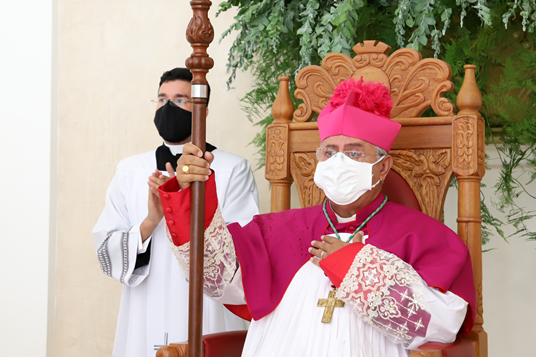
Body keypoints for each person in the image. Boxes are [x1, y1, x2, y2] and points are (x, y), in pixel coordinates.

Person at [158, 79, 475, 357]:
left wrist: (355, 267)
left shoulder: (424, 236)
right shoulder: (279, 229)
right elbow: (215, 276)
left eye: (353, 152)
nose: (338, 161)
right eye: (329, 151)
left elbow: (443, 325)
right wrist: (189, 194)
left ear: (382, 167)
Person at [93, 68, 259, 357]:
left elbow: (243, 251)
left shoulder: (232, 168)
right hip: (145, 303)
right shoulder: (130, 170)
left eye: (180, 100)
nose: (168, 107)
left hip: (206, 306)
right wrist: (151, 221)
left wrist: (186, 205)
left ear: (202, 111)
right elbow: (107, 249)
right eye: (162, 99)